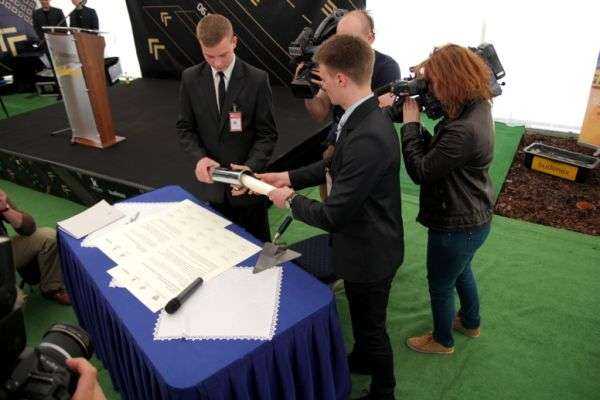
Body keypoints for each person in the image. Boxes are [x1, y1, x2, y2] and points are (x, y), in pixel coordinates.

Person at [260, 34, 403, 400]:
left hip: (370, 253)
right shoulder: (361, 116)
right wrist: (287, 177)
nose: (320, 85)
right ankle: (362, 358)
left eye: (322, 77)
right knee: (361, 317)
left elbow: (333, 215)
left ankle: (384, 391)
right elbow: (334, 164)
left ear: (341, 78)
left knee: (372, 328)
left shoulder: (369, 135)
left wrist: (289, 200)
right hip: (359, 246)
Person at [400, 44, 495, 354]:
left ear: (453, 80)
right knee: (461, 270)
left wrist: (411, 125)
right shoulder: (479, 106)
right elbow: (442, 154)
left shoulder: (464, 130)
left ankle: (442, 341)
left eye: (435, 83)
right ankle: (470, 321)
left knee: (441, 284)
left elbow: (421, 170)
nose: (432, 90)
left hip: (455, 223)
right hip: (474, 216)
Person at [176, 13, 278, 243]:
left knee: (256, 248)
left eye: (223, 54)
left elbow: (267, 134)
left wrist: (249, 170)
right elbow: (185, 128)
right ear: (200, 46)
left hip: (248, 191)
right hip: (211, 190)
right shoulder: (190, 78)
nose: (218, 63)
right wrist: (199, 159)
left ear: (234, 42)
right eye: (209, 56)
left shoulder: (257, 79)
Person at [303, 9, 400, 127]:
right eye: (340, 40)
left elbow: (381, 116)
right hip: (338, 132)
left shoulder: (387, 67)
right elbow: (320, 113)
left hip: (364, 135)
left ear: (370, 38)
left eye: (351, 40)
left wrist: (340, 90)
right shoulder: (334, 63)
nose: (344, 47)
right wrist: (306, 90)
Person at [0, 188, 70, 305]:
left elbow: (28, 228)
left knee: (48, 236)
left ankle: (52, 288)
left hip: (3, 250)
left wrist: (5, 209)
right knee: (15, 302)